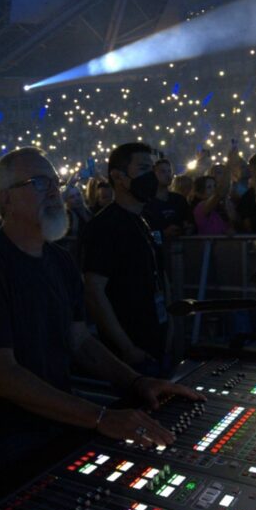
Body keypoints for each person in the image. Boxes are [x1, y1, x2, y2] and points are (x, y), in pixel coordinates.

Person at [0, 147, 204, 483]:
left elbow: (80, 340)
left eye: (55, 182)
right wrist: (101, 417)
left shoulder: (59, 261)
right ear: (6, 199)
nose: (55, 190)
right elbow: (4, 376)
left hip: (52, 422)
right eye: (39, 183)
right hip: (0, 439)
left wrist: (137, 382)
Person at [81, 142, 170, 376]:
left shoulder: (146, 219)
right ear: (119, 177)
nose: (150, 177)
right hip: (130, 351)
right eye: (142, 169)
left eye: (151, 170)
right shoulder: (104, 227)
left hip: (156, 338)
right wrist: (127, 348)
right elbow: (94, 291)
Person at [142, 158, 194, 238]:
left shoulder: (179, 200)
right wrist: (163, 234)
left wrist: (189, 229)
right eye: (163, 171)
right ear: (153, 175)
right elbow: (143, 236)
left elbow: (191, 223)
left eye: (169, 171)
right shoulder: (146, 202)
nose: (168, 175)